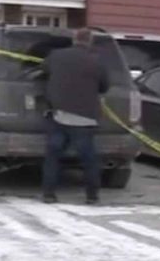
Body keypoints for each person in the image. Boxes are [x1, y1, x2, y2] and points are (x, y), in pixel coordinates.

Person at [41, 28, 110, 205]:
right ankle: (92, 196)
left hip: (59, 115)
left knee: (53, 155)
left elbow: (43, 70)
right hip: (84, 119)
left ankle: (49, 194)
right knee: (88, 160)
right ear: (90, 42)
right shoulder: (97, 62)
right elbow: (104, 87)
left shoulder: (56, 56)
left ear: (74, 39)